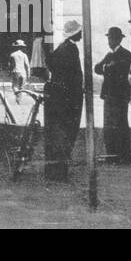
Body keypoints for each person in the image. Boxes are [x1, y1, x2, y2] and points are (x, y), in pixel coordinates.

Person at [44, 19, 84, 181]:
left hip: (58, 96)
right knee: (66, 133)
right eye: (80, 32)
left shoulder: (61, 47)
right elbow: (74, 75)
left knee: (56, 134)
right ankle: (60, 172)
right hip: (69, 98)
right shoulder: (71, 49)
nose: (82, 34)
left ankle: (54, 171)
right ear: (75, 33)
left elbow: (50, 64)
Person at [94, 26, 131, 164]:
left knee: (121, 125)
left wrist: (107, 68)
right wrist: (107, 67)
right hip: (109, 95)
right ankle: (112, 155)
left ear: (117, 39)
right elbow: (97, 68)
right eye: (109, 38)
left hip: (120, 96)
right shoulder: (109, 55)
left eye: (111, 38)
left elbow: (118, 70)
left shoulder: (126, 54)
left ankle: (124, 156)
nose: (109, 41)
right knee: (109, 126)